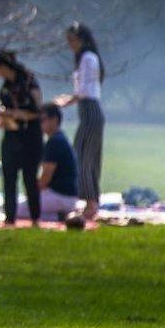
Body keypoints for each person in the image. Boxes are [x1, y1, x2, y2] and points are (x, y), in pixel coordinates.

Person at [53, 22, 106, 209]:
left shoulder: (88, 58)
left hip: (90, 111)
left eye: (73, 40)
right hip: (88, 111)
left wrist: (66, 101)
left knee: (83, 157)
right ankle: (91, 200)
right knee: (87, 155)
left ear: (82, 40)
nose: (71, 45)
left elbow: (83, 90)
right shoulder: (86, 58)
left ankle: (90, 202)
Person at [0, 51, 43, 225]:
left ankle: (35, 217)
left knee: (30, 178)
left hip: (30, 136)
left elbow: (36, 111)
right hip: (11, 135)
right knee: (9, 177)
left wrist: (13, 113)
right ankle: (10, 217)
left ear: (4, 66)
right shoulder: (5, 86)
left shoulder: (29, 82)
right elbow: (2, 105)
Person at [36, 103, 82, 221]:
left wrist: (32, 190)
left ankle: (59, 217)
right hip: (67, 197)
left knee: (19, 209)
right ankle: (59, 216)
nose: (40, 124)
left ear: (54, 120)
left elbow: (45, 179)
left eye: (42, 120)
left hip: (60, 196)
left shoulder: (54, 142)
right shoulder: (59, 138)